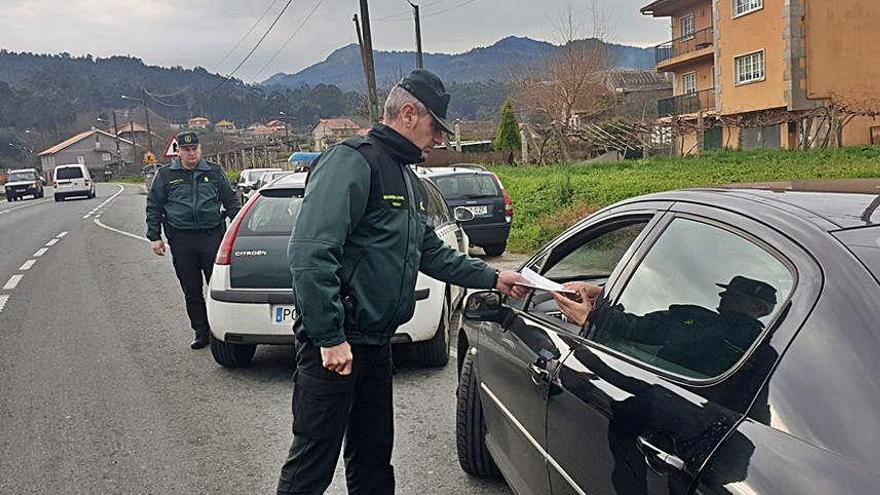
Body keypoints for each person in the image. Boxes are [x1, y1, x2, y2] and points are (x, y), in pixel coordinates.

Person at [277, 69, 529, 495]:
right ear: (409, 113)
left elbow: (431, 252)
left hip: (376, 344)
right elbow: (310, 254)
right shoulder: (352, 161)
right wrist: (329, 336)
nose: (439, 140)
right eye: (436, 128)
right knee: (312, 465)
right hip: (337, 346)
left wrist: (495, 276)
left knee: (374, 457)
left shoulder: (406, 179)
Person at [552, 275, 778, 377]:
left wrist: (593, 317)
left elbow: (637, 329)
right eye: (726, 291)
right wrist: (604, 296)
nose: (723, 295)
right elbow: (639, 325)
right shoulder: (771, 348)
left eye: (734, 295)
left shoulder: (696, 319)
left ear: (761, 309)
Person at [145, 131, 240, 349]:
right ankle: (201, 331)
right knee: (191, 288)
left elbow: (231, 202)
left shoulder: (214, 172)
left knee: (217, 286)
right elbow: (154, 206)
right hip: (182, 239)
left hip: (212, 236)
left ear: (200, 149)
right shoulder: (166, 175)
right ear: (178, 152)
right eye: (186, 149)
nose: (191, 153)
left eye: (194, 149)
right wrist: (154, 237)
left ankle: (220, 330)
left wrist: (239, 230)